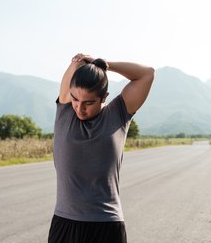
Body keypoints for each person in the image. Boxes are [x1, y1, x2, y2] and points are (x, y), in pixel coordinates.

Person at [48, 53, 154, 243]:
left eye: (88, 103)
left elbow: (147, 74)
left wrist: (105, 65)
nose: (79, 108)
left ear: (104, 97)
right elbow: (75, 66)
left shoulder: (118, 114)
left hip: (106, 225)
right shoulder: (65, 111)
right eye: (75, 99)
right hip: (65, 224)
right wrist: (79, 62)